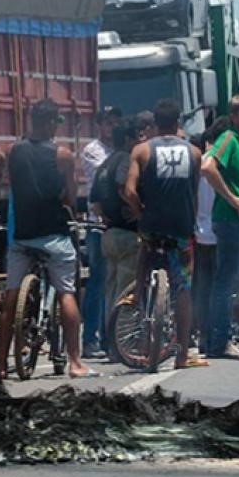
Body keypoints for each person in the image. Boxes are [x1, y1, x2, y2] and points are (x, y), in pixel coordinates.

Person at [0, 98, 96, 379]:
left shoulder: (11, 151)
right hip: (53, 234)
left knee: (11, 296)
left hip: (23, 236)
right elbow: (70, 196)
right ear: (51, 122)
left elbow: (12, 185)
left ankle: (2, 364)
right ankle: (75, 362)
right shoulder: (62, 155)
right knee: (66, 292)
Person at [124, 98, 207, 369]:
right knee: (182, 287)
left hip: (152, 224)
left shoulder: (141, 150)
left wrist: (140, 212)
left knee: (145, 254)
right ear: (178, 122)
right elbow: (193, 194)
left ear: (155, 124)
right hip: (181, 228)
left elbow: (129, 191)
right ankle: (182, 355)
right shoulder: (194, 153)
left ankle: (138, 293)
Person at [200, 94, 239, 361]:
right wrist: (232, 198)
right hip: (231, 222)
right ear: (234, 117)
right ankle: (220, 341)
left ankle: (220, 339)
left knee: (228, 283)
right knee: (225, 284)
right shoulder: (228, 139)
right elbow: (207, 167)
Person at [93, 118, 141, 355]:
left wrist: (108, 217)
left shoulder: (105, 163)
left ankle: (109, 342)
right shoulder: (125, 160)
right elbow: (125, 187)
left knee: (110, 291)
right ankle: (121, 345)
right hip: (126, 236)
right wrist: (138, 209)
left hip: (109, 233)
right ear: (130, 139)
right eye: (138, 137)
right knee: (126, 292)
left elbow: (95, 204)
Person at [78, 106, 120, 356]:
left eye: (115, 122)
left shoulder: (118, 149)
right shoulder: (93, 151)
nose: (112, 127)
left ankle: (109, 337)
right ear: (100, 125)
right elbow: (110, 174)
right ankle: (90, 339)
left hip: (117, 224)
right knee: (97, 281)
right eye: (108, 123)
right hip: (98, 224)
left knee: (114, 282)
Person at [192, 118, 230, 354]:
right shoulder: (219, 166)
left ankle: (203, 335)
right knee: (221, 288)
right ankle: (218, 336)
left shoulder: (198, 165)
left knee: (203, 287)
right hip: (219, 232)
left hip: (200, 232)